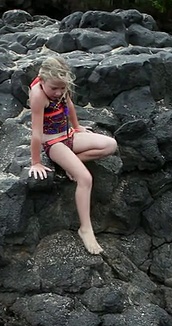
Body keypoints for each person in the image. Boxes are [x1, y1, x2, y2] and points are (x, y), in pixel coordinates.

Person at [28, 56, 118, 255]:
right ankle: (85, 228)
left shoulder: (61, 85)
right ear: (42, 81)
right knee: (85, 178)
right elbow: (35, 133)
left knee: (110, 145)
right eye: (54, 88)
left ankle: (71, 164)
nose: (58, 92)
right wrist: (35, 162)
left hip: (69, 135)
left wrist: (77, 128)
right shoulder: (38, 95)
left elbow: (68, 105)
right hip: (53, 143)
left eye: (62, 87)